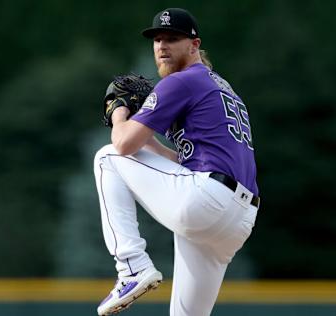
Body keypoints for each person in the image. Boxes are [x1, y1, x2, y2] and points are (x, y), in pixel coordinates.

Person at [94, 7, 260, 316]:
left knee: (107, 158)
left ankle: (131, 267)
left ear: (195, 45)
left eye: (172, 38)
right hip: (238, 217)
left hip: (208, 200)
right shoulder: (223, 89)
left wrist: (118, 110)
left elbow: (123, 144)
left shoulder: (182, 81)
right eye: (157, 40)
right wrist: (151, 142)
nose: (161, 46)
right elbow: (185, 162)